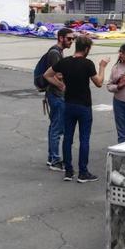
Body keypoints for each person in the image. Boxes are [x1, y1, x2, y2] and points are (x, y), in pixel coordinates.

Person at [44, 35, 109, 182]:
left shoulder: (64, 62)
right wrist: (102, 67)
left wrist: (61, 85)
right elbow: (99, 82)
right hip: (84, 105)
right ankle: (83, 172)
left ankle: (68, 171)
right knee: (84, 139)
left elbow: (47, 74)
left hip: (68, 104)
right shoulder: (87, 63)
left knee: (68, 138)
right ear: (86, 49)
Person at [43, 28, 74, 171]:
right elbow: (49, 74)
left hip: (54, 94)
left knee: (54, 126)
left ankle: (52, 157)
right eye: (69, 39)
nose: (71, 41)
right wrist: (62, 86)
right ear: (61, 38)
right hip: (56, 95)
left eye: (72, 39)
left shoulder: (57, 52)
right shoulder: (55, 53)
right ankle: (55, 160)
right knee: (57, 128)